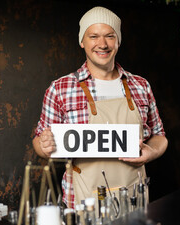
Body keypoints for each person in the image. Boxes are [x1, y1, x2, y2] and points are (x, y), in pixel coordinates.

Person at [33, 6, 168, 209]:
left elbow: (159, 136)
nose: (102, 44)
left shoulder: (141, 85)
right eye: (93, 36)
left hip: (134, 199)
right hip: (81, 203)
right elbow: (39, 141)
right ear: (82, 41)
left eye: (110, 36)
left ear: (118, 40)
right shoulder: (60, 88)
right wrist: (43, 146)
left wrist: (152, 152)